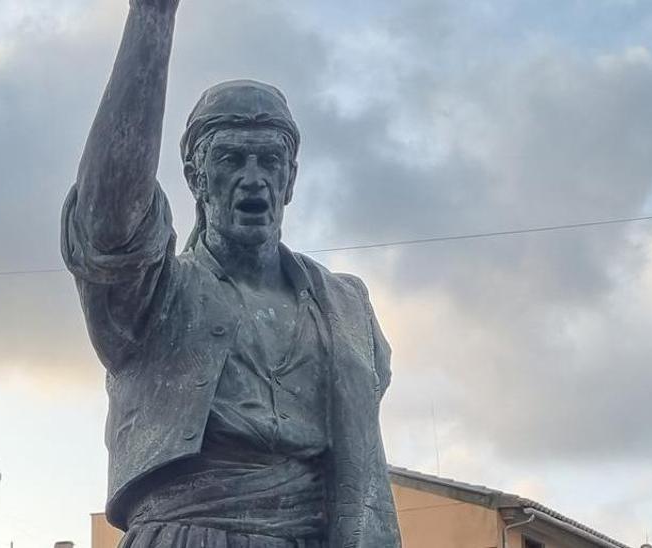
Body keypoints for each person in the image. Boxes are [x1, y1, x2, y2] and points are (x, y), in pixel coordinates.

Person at [61, 0, 400, 546]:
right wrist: (153, 17)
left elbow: (359, 472)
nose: (253, 179)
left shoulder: (346, 305)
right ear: (195, 177)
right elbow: (108, 224)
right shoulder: (158, 290)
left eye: (269, 162)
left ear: (291, 180)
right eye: (231, 160)